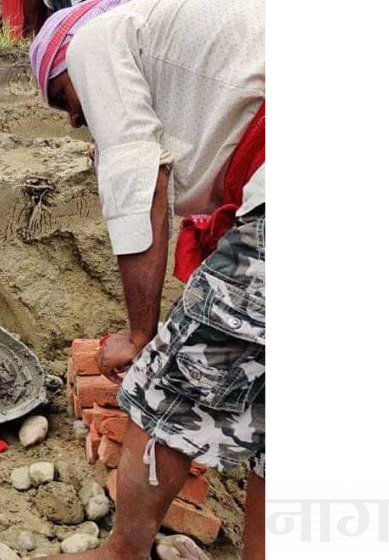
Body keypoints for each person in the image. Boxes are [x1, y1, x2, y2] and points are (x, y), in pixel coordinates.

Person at [30, 1, 264, 559]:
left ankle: (122, 554)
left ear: (67, 58)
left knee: (166, 389)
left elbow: (140, 186)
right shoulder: (183, 32)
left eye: (63, 98)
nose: (70, 118)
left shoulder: (94, 41)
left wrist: (141, 335)